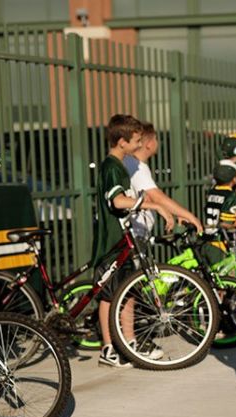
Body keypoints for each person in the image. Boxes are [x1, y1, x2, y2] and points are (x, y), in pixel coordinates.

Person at [95, 114, 160, 367]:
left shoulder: (120, 165)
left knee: (127, 292)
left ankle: (128, 342)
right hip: (110, 243)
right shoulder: (112, 167)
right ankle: (109, 348)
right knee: (109, 296)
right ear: (122, 142)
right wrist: (149, 204)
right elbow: (117, 201)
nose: (139, 145)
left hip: (121, 242)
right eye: (135, 141)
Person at [124, 122, 201, 239]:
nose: (157, 142)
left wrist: (176, 213)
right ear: (149, 144)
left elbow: (149, 198)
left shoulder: (135, 164)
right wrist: (190, 216)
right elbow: (157, 197)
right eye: (156, 139)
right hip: (132, 236)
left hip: (137, 235)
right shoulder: (136, 166)